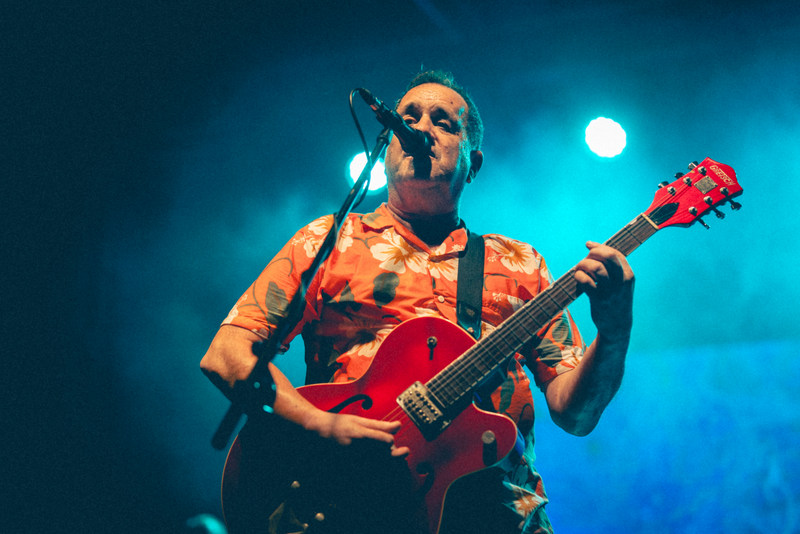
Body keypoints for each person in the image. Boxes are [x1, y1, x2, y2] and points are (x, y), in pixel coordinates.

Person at [201, 70, 634, 534]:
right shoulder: (329, 240)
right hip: (351, 507)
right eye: (408, 119)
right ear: (388, 144)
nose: (421, 129)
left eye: (444, 123)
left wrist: (614, 333)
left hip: (497, 514)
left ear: (473, 162)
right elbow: (226, 354)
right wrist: (320, 424)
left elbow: (576, 414)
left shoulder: (521, 263)